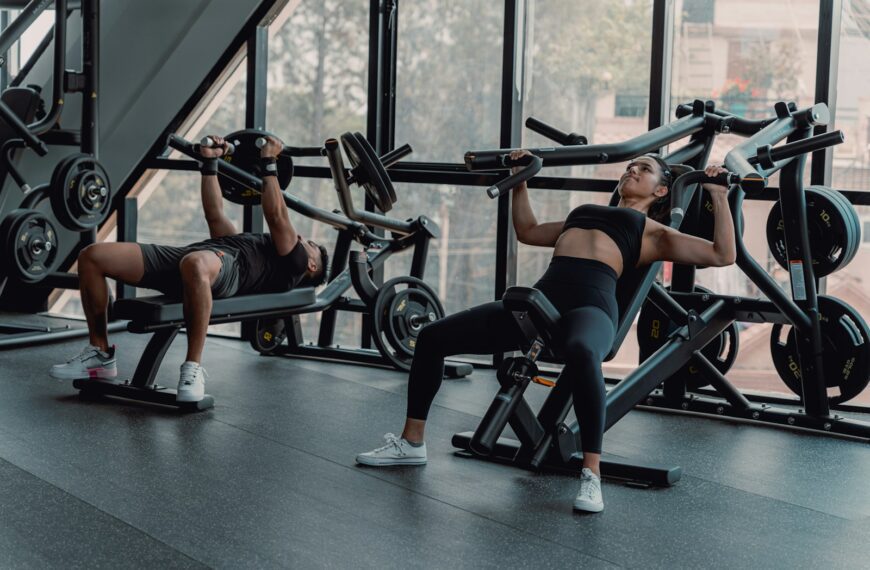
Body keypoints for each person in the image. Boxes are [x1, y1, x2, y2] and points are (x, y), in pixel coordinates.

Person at [356, 151, 735, 513]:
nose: (632, 170)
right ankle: (412, 442)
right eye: (631, 165)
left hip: (591, 311)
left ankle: (591, 474)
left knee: (584, 353)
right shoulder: (583, 213)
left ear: (661, 191)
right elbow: (528, 230)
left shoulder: (653, 232)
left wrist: (718, 196)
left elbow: (723, 255)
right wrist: (521, 182)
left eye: (644, 169)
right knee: (432, 338)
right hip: (537, 305)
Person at [49, 135, 329, 402]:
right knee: (92, 256)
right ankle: (100, 353)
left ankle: (192, 368)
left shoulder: (295, 265)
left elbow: (277, 215)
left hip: (224, 271)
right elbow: (215, 213)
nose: (304, 238)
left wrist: (269, 164)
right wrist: (209, 164)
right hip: (196, 258)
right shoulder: (253, 244)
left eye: (312, 244)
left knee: (194, 262)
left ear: (312, 263)